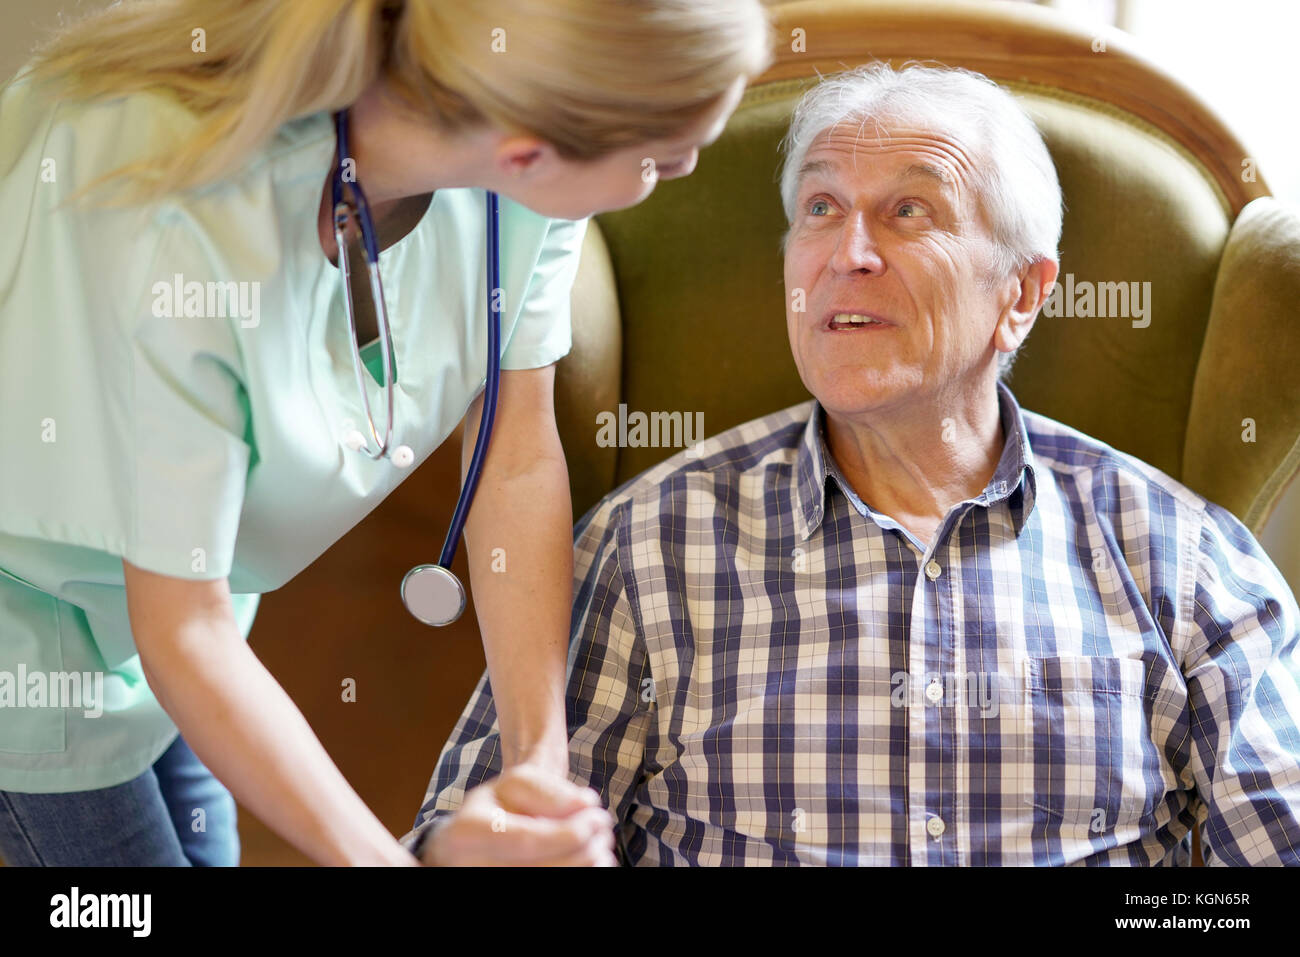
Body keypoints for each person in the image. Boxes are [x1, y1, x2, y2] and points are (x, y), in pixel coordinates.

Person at [404, 62, 1300, 866]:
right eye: (821, 210)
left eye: (910, 210)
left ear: (1020, 294)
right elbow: (461, 841)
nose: (849, 254)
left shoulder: (1186, 565)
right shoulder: (650, 548)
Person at [0, 0, 772, 866]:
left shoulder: (517, 170)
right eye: (664, 160)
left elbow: (513, 457)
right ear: (529, 151)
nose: (684, 172)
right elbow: (185, 626)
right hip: (31, 625)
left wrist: (540, 766)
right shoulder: (190, 226)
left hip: (168, 603)